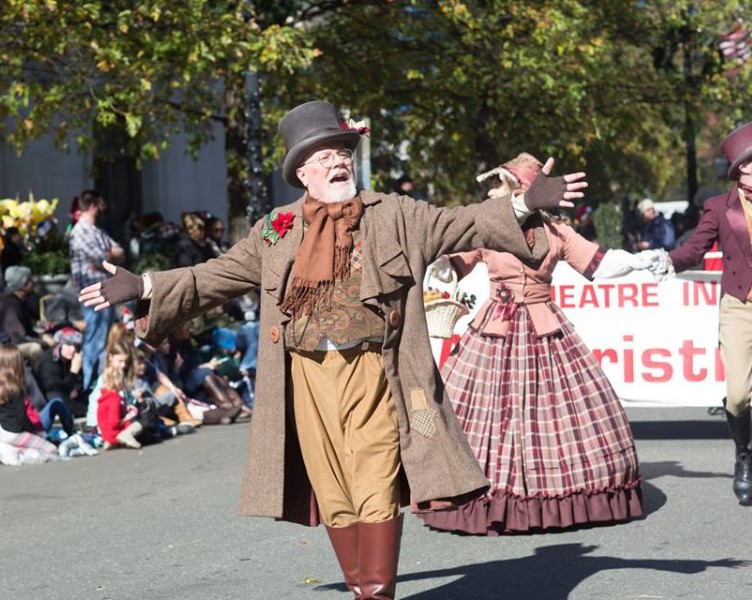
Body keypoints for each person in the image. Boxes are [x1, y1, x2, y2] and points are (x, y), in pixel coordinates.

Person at [79, 100, 587, 599]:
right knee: (331, 483)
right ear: (302, 172)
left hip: (379, 371)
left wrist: (522, 203)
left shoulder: (396, 214)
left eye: (342, 152)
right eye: (323, 156)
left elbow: (465, 223)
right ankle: (359, 585)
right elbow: (217, 276)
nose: (338, 161)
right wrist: (144, 286)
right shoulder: (275, 230)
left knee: (375, 475)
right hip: (303, 376)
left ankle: (375, 593)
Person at [418, 153, 644, 535]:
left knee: (555, 412)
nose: (490, 191)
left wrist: (644, 261)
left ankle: (555, 497)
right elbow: (451, 264)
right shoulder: (486, 228)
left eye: (497, 184)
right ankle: (464, 488)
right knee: (474, 407)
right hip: (494, 325)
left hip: (543, 325)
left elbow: (598, 264)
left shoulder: (556, 232)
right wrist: (438, 273)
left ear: (521, 190)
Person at [644, 121, 752, 510]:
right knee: (738, 394)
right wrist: (663, 259)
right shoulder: (719, 207)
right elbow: (694, 249)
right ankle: (744, 457)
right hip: (739, 310)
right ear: (744, 166)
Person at [69, 190, 125, 390]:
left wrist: (108, 257)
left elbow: (119, 254)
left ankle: (100, 386)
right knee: (94, 340)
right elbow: (103, 259)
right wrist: (108, 257)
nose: (101, 210)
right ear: (92, 206)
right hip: (92, 294)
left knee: (104, 340)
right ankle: (86, 388)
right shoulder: (80, 232)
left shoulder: (97, 232)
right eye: (99, 206)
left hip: (105, 291)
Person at [32, 327, 86, 420]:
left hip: (69, 395)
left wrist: (77, 389)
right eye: (68, 345)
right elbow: (55, 390)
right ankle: (85, 412)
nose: (72, 349)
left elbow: (79, 382)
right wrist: (73, 372)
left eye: (76, 346)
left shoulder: (74, 358)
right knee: (56, 397)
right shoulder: (48, 361)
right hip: (47, 400)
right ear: (60, 345)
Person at [0, 265, 50, 362]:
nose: (33, 283)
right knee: (35, 349)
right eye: (30, 280)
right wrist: (44, 342)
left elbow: (28, 331)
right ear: (23, 284)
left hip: (16, 342)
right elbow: (19, 337)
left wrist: (43, 336)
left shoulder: (21, 301)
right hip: (8, 348)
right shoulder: (11, 304)